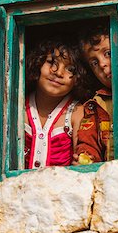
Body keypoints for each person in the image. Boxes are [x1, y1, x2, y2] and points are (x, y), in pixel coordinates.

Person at [24, 37, 91, 169]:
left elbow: (82, 160)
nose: (59, 72)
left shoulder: (76, 113)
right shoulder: (19, 107)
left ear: (78, 77)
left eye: (70, 69)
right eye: (51, 62)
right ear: (38, 63)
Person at [74, 24, 113, 164]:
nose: (102, 64)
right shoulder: (96, 106)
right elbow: (89, 143)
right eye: (94, 62)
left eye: (108, 53)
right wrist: (86, 157)